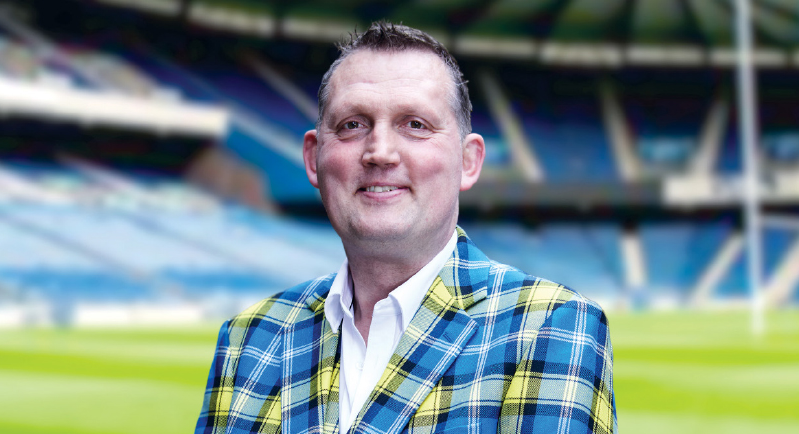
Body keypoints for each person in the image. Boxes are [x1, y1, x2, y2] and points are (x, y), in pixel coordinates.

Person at [195, 21, 616, 434]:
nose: (380, 152)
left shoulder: (551, 326)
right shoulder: (248, 339)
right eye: (352, 125)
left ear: (468, 161)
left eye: (415, 125)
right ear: (313, 159)